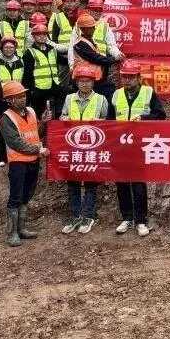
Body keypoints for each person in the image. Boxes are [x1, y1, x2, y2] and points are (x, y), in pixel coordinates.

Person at [111, 60, 166, 237]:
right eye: (125, 77)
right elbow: (109, 121)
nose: (127, 80)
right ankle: (126, 217)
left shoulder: (148, 93)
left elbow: (160, 115)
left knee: (138, 184)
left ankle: (141, 220)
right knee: (121, 183)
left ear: (138, 78)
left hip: (141, 145)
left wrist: (144, 118)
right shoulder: (116, 95)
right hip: (120, 146)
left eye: (131, 77)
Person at [0, 81, 50, 247]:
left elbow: (37, 133)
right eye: (18, 97)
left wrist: (43, 123)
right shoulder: (6, 118)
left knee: (26, 196)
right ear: (10, 100)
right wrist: (38, 150)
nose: (23, 99)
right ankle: (12, 233)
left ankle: (21, 229)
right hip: (18, 163)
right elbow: (15, 142)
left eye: (23, 95)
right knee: (16, 197)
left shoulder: (31, 112)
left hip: (33, 161)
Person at [60, 64, 107, 235]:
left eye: (88, 81)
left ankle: (88, 216)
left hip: (93, 147)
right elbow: (62, 116)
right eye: (81, 81)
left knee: (90, 183)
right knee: (72, 182)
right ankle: (74, 215)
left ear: (93, 82)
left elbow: (107, 122)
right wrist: (64, 118)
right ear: (77, 82)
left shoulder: (101, 99)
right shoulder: (69, 99)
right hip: (72, 147)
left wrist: (100, 123)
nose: (84, 84)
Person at [0, 35, 24, 167]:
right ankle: (0, 158)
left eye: (11, 47)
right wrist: (6, 97)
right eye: (6, 47)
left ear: (15, 48)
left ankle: (16, 155)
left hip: (17, 101)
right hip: (0, 102)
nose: (9, 49)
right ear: (2, 48)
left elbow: (25, 80)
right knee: (0, 129)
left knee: (17, 129)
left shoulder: (21, 62)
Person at [70, 13, 122, 104]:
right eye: (92, 27)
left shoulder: (88, 41)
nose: (94, 29)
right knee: (106, 92)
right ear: (84, 29)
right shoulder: (80, 43)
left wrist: (113, 57)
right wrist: (113, 59)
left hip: (92, 77)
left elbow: (97, 56)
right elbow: (95, 58)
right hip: (84, 78)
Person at [22, 24, 64, 119]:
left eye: (44, 34)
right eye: (39, 34)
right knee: (40, 116)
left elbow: (62, 61)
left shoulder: (52, 50)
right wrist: (30, 91)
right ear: (33, 36)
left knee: (63, 99)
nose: (42, 36)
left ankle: (58, 121)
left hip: (55, 86)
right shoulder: (29, 53)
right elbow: (27, 75)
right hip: (39, 90)